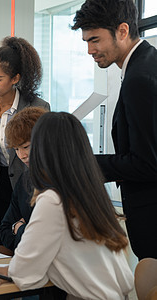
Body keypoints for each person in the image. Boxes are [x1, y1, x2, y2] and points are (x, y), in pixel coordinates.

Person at [0, 112, 134, 300]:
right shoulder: (89, 192)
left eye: (29, 146)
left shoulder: (53, 200)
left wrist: (13, 263)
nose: (24, 155)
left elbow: (25, 272)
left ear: (44, 149)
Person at [72, 0, 157, 260]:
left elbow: (148, 163)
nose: (89, 50)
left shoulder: (139, 78)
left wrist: (84, 165)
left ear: (122, 31)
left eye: (95, 40)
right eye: (86, 41)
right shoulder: (147, 63)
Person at [0, 36, 50, 255]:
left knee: (30, 241)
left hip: (30, 183)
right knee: (3, 240)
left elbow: (47, 150)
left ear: (15, 78)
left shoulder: (38, 107)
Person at [0, 107, 47, 253]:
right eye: (16, 149)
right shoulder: (25, 179)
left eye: (26, 147)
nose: (22, 155)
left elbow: (44, 238)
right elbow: (4, 230)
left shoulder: (65, 180)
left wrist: (20, 229)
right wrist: (22, 230)